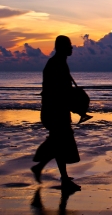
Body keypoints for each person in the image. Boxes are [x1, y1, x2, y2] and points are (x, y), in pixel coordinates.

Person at [31, 35, 85, 191]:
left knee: (59, 144)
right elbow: (58, 92)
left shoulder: (59, 63)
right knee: (60, 144)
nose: (72, 48)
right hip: (54, 112)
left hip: (56, 110)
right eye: (69, 45)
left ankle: (45, 169)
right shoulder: (56, 65)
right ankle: (63, 179)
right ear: (61, 47)